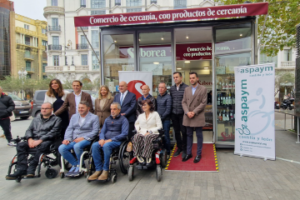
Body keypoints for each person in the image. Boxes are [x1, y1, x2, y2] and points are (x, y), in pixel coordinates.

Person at [5, 103, 62, 179]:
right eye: (42, 108)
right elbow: (29, 130)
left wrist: (40, 140)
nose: (44, 110)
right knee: (20, 145)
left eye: (46, 108)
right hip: (33, 140)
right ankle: (21, 169)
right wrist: (29, 139)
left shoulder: (57, 119)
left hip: (47, 141)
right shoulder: (36, 119)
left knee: (42, 146)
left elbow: (54, 132)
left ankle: (31, 168)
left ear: (52, 109)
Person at [88, 102, 128, 181]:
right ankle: (98, 169)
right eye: (111, 109)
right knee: (95, 145)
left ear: (119, 110)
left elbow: (124, 134)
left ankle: (106, 170)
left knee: (106, 146)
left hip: (117, 141)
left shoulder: (124, 120)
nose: (112, 111)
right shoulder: (107, 119)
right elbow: (102, 131)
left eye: (114, 109)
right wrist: (102, 139)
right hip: (105, 140)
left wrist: (111, 140)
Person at [58, 101, 99, 177]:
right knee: (62, 148)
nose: (80, 109)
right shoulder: (74, 116)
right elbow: (70, 128)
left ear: (88, 108)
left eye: (82, 108)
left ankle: (81, 165)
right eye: (79, 108)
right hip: (74, 139)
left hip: (86, 139)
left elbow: (95, 131)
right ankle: (75, 164)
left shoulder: (94, 117)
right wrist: (67, 138)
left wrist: (83, 138)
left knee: (77, 146)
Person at [182, 72, 207, 163]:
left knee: (199, 135)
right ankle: (189, 153)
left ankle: (198, 154)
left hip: (198, 115)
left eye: (193, 78)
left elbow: (203, 103)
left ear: (197, 78)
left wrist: (194, 112)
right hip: (188, 115)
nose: (191, 79)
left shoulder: (203, 89)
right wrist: (187, 112)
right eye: (190, 78)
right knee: (188, 135)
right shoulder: (186, 89)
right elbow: (184, 102)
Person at [133, 99, 162, 166]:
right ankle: (138, 156)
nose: (143, 106)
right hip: (142, 132)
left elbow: (160, 126)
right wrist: (139, 130)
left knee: (147, 137)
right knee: (136, 136)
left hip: (153, 133)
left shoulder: (155, 114)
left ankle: (148, 156)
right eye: (142, 105)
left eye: (145, 105)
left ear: (150, 106)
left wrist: (150, 131)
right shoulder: (140, 116)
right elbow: (136, 124)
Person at [170, 72, 188, 158]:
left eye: (177, 77)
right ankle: (179, 148)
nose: (175, 79)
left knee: (184, 132)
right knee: (176, 132)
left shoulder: (186, 87)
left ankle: (185, 149)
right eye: (174, 77)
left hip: (183, 114)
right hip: (174, 114)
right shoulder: (172, 88)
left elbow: (188, 101)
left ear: (181, 77)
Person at [156, 83, 172, 156]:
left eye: (162, 87)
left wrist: (161, 118)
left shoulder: (168, 97)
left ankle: (168, 152)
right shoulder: (158, 97)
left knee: (166, 136)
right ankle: (161, 151)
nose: (161, 89)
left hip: (165, 120)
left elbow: (168, 110)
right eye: (159, 87)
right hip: (158, 120)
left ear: (166, 89)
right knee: (158, 137)